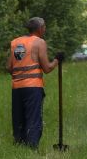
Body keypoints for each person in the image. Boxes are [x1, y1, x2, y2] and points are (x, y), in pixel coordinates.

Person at [8, 16, 57, 149]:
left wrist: (20, 77)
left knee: (18, 117)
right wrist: (57, 60)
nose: (45, 29)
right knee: (33, 118)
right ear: (40, 29)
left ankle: (19, 145)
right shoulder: (39, 42)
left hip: (17, 87)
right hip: (33, 88)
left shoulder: (15, 42)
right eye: (44, 26)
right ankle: (31, 148)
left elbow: (9, 67)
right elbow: (47, 68)